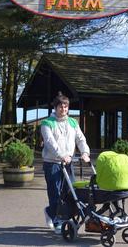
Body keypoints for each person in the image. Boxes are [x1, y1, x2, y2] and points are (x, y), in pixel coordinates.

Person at [41, 92, 90, 234]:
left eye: (66, 106)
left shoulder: (73, 122)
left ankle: (55, 213)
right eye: (61, 107)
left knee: (70, 192)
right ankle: (57, 219)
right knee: (55, 192)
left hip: (68, 163)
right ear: (55, 108)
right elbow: (50, 143)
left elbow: (81, 139)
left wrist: (85, 152)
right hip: (52, 163)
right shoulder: (47, 123)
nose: (63, 109)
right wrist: (61, 155)